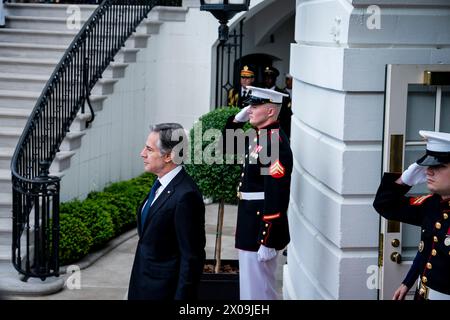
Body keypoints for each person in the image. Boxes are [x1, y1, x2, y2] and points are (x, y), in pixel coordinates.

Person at [224, 86, 293, 300]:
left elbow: (277, 194)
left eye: (255, 106)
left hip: (260, 228)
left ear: (271, 111)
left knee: (259, 291)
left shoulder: (273, 143)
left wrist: (268, 239)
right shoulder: (260, 137)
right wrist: (236, 120)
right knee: (250, 289)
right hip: (249, 222)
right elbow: (227, 145)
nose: (250, 110)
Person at [128, 123, 206, 300]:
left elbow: (191, 258)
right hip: (143, 285)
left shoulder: (186, 195)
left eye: (149, 149)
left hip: (163, 292)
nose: (142, 154)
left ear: (169, 156)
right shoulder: (161, 184)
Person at [373, 130, 450, 300]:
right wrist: (405, 180)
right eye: (428, 166)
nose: (429, 171)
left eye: (439, 166)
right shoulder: (432, 205)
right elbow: (385, 205)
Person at [262, 66, 293, 138]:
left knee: (274, 149)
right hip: (261, 129)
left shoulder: (283, 94)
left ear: (275, 79)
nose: (268, 80)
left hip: (277, 131)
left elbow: (287, 117)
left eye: (270, 78)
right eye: (266, 77)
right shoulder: (259, 92)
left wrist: (285, 135)